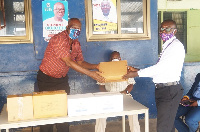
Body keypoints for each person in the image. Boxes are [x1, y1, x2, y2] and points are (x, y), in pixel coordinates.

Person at [37, 18, 105, 132]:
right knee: (47, 113)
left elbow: (80, 63)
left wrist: (96, 66)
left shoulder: (76, 43)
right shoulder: (59, 39)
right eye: (73, 27)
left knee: (64, 113)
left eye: (79, 29)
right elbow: (68, 61)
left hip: (62, 80)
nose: (76, 30)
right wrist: (91, 74)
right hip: (46, 79)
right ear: (67, 28)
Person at [123, 19, 185, 132]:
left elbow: (160, 68)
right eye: (162, 28)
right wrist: (137, 70)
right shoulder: (167, 46)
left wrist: (136, 73)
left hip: (169, 91)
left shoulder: (175, 47)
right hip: (163, 89)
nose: (164, 31)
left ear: (174, 31)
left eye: (168, 28)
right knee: (167, 125)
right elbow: (160, 71)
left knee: (163, 127)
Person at [95, 51, 140, 132]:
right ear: (110, 59)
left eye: (117, 58)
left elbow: (131, 84)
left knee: (134, 111)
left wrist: (125, 92)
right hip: (109, 95)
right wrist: (107, 94)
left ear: (120, 59)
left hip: (125, 95)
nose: (115, 60)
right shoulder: (105, 70)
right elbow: (101, 86)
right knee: (100, 112)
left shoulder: (126, 69)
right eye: (113, 58)